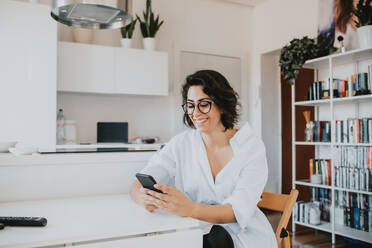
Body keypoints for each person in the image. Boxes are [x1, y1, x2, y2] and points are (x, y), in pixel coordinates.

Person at [130, 70, 276, 248]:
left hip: (244, 237)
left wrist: (189, 208)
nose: (196, 112)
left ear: (222, 105)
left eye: (204, 104)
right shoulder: (181, 143)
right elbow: (138, 185)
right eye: (190, 105)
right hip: (196, 232)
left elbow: (237, 212)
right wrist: (144, 198)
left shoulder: (251, 148)